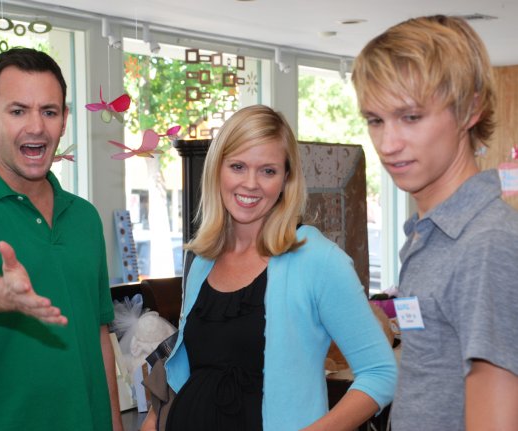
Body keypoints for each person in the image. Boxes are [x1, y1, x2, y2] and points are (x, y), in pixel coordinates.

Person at [141, 105, 397, 431]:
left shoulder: (315, 258)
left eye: (268, 171)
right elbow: (185, 376)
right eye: (238, 166)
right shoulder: (202, 258)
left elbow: (380, 372)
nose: (251, 183)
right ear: (217, 169)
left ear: (286, 179)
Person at [0, 48, 124, 431]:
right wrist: (1, 292)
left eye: (49, 111)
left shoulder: (83, 217)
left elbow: (98, 337)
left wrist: (114, 424)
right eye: (18, 111)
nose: (36, 127)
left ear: (64, 120)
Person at [352, 15, 518, 431]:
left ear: (471, 109)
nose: (387, 144)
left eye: (410, 117)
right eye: (375, 119)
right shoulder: (428, 234)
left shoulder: (485, 242)